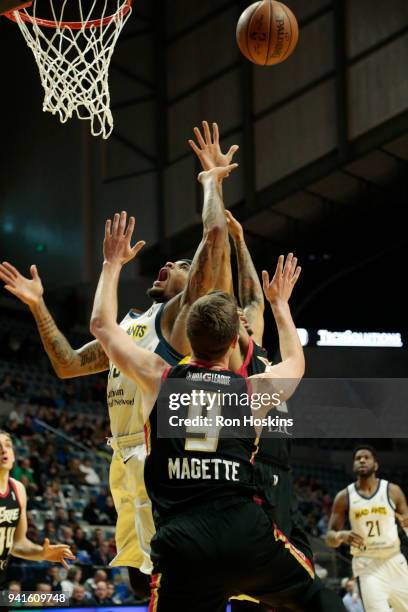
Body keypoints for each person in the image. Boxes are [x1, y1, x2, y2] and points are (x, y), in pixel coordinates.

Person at [0, 121, 238, 597]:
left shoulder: (176, 319)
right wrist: (38, 305)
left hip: (158, 447)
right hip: (123, 455)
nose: (168, 264)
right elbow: (67, 364)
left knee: (168, 577)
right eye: (168, 263)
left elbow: (213, 240)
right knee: (137, 575)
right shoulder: (129, 326)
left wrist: (212, 184)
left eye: (180, 266)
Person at [89, 211, 345, 611]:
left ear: (186, 338)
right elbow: (297, 361)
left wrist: (111, 264)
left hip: (183, 541)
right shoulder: (251, 389)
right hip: (245, 531)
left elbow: (102, 325)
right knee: (319, 599)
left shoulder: (158, 376)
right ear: (233, 345)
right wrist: (280, 305)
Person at [326, 445, 408, 611]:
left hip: (393, 560)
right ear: (353, 466)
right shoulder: (344, 496)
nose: (362, 460)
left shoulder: (393, 491)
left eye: (366, 457)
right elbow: (330, 537)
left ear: (376, 465)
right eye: (358, 458)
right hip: (366, 565)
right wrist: (341, 535)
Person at [0, 431, 74, 587]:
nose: (3, 450)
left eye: (7, 445)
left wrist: (42, 553)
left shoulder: (18, 489)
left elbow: (18, 543)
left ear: (14, 455)